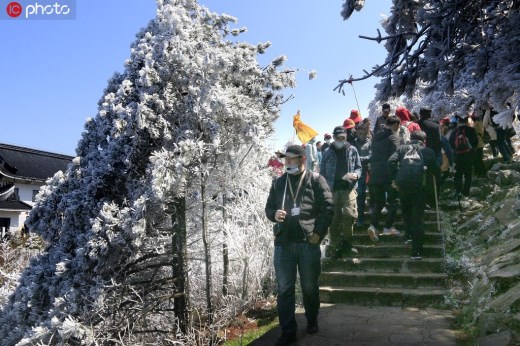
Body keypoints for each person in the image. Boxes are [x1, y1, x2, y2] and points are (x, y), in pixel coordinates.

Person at [265, 145, 334, 345]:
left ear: (302, 160)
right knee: (285, 288)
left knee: (309, 287)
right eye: (285, 159)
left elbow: (328, 208)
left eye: (291, 159)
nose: (287, 163)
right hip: (283, 243)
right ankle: (288, 331)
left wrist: (318, 233)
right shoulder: (278, 182)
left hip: (308, 243)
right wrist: (274, 214)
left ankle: (312, 319)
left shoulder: (316, 180)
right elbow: (269, 208)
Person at [388, 131, 440, 260]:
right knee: (418, 217)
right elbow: (436, 170)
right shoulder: (427, 151)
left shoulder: (401, 149)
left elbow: (390, 162)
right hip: (419, 187)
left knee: (406, 211)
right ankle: (416, 251)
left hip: (403, 186)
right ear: (424, 140)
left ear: (410, 138)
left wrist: (395, 179)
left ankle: (409, 236)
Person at [320, 126, 362, 258]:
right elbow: (322, 172)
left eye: (343, 138)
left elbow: (359, 167)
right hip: (332, 190)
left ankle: (348, 243)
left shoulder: (352, 150)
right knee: (333, 218)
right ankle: (336, 245)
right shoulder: (327, 152)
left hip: (348, 188)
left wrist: (356, 174)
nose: (341, 140)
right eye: (338, 138)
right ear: (333, 138)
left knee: (349, 214)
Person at [367, 115, 401, 241]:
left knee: (379, 202)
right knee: (393, 202)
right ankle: (388, 227)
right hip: (388, 174)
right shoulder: (393, 136)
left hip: (375, 174)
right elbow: (395, 157)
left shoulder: (376, 136)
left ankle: (373, 225)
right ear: (396, 125)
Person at [449, 115, 479, 197]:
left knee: (458, 175)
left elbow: (451, 144)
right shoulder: (471, 130)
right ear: (467, 121)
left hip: (457, 156)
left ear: (458, 121)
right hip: (468, 155)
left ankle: (458, 192)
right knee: (468, 175)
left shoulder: (454, 131)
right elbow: (475, 143)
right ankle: (466, 193)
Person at [353, 123, 372, 227]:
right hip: (353, 172)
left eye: (363, 133)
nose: (361, 135)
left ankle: (361, 219)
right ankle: (355, 217)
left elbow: (371, 156)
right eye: (359, 133)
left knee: (361, 194)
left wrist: (359, 159)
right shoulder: (353, 143)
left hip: (365, 171)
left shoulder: (369, 143)